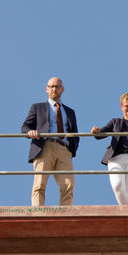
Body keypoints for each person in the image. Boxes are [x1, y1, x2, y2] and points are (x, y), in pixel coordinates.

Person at [21, 77, 80, 206]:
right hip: (44, 146)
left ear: (62, 89)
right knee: (39, 184)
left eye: (57, 86)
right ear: (47, 89)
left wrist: (71, 150)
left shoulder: (70, 112)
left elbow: (75, 133)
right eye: (51, 86)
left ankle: (65, 215)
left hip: (64, 149)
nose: (54, 89)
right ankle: (37, 213)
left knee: (68, 185)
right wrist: (30, 132)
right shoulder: (38, 107)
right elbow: (25, 127)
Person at [91, 92, 128, 205]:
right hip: (116, 158)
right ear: (122, 107)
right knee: (118, 186)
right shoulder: (115, 122)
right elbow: (101, 134)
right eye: (126, 106)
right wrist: (96, 132)